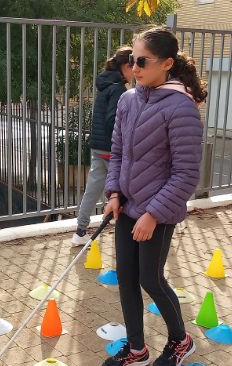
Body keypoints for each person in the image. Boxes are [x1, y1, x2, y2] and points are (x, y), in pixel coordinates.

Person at [101, 27, 207, 366]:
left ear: (167, 64)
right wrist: (114, 193)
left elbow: (186, 173)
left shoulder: (181, 107)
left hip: (157, 213)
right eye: (132, 60)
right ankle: (136, 349)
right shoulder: (128, 100)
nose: (135, 67)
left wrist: (153, 214)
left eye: (142, 61)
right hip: (127, 206)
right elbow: (117, 152)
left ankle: (180, 339)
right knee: (126, 278)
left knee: (151, 279)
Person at [71, 47, 134, 246]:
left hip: (98, 146)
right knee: (124, 189)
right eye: (134, 66)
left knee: (93, 188)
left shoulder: (105, 85)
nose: (136, 72)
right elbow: (112, 120)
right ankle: (124, 233)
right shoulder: (118, 89)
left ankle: (80, 231)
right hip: (111, 148)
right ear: (126, 66)